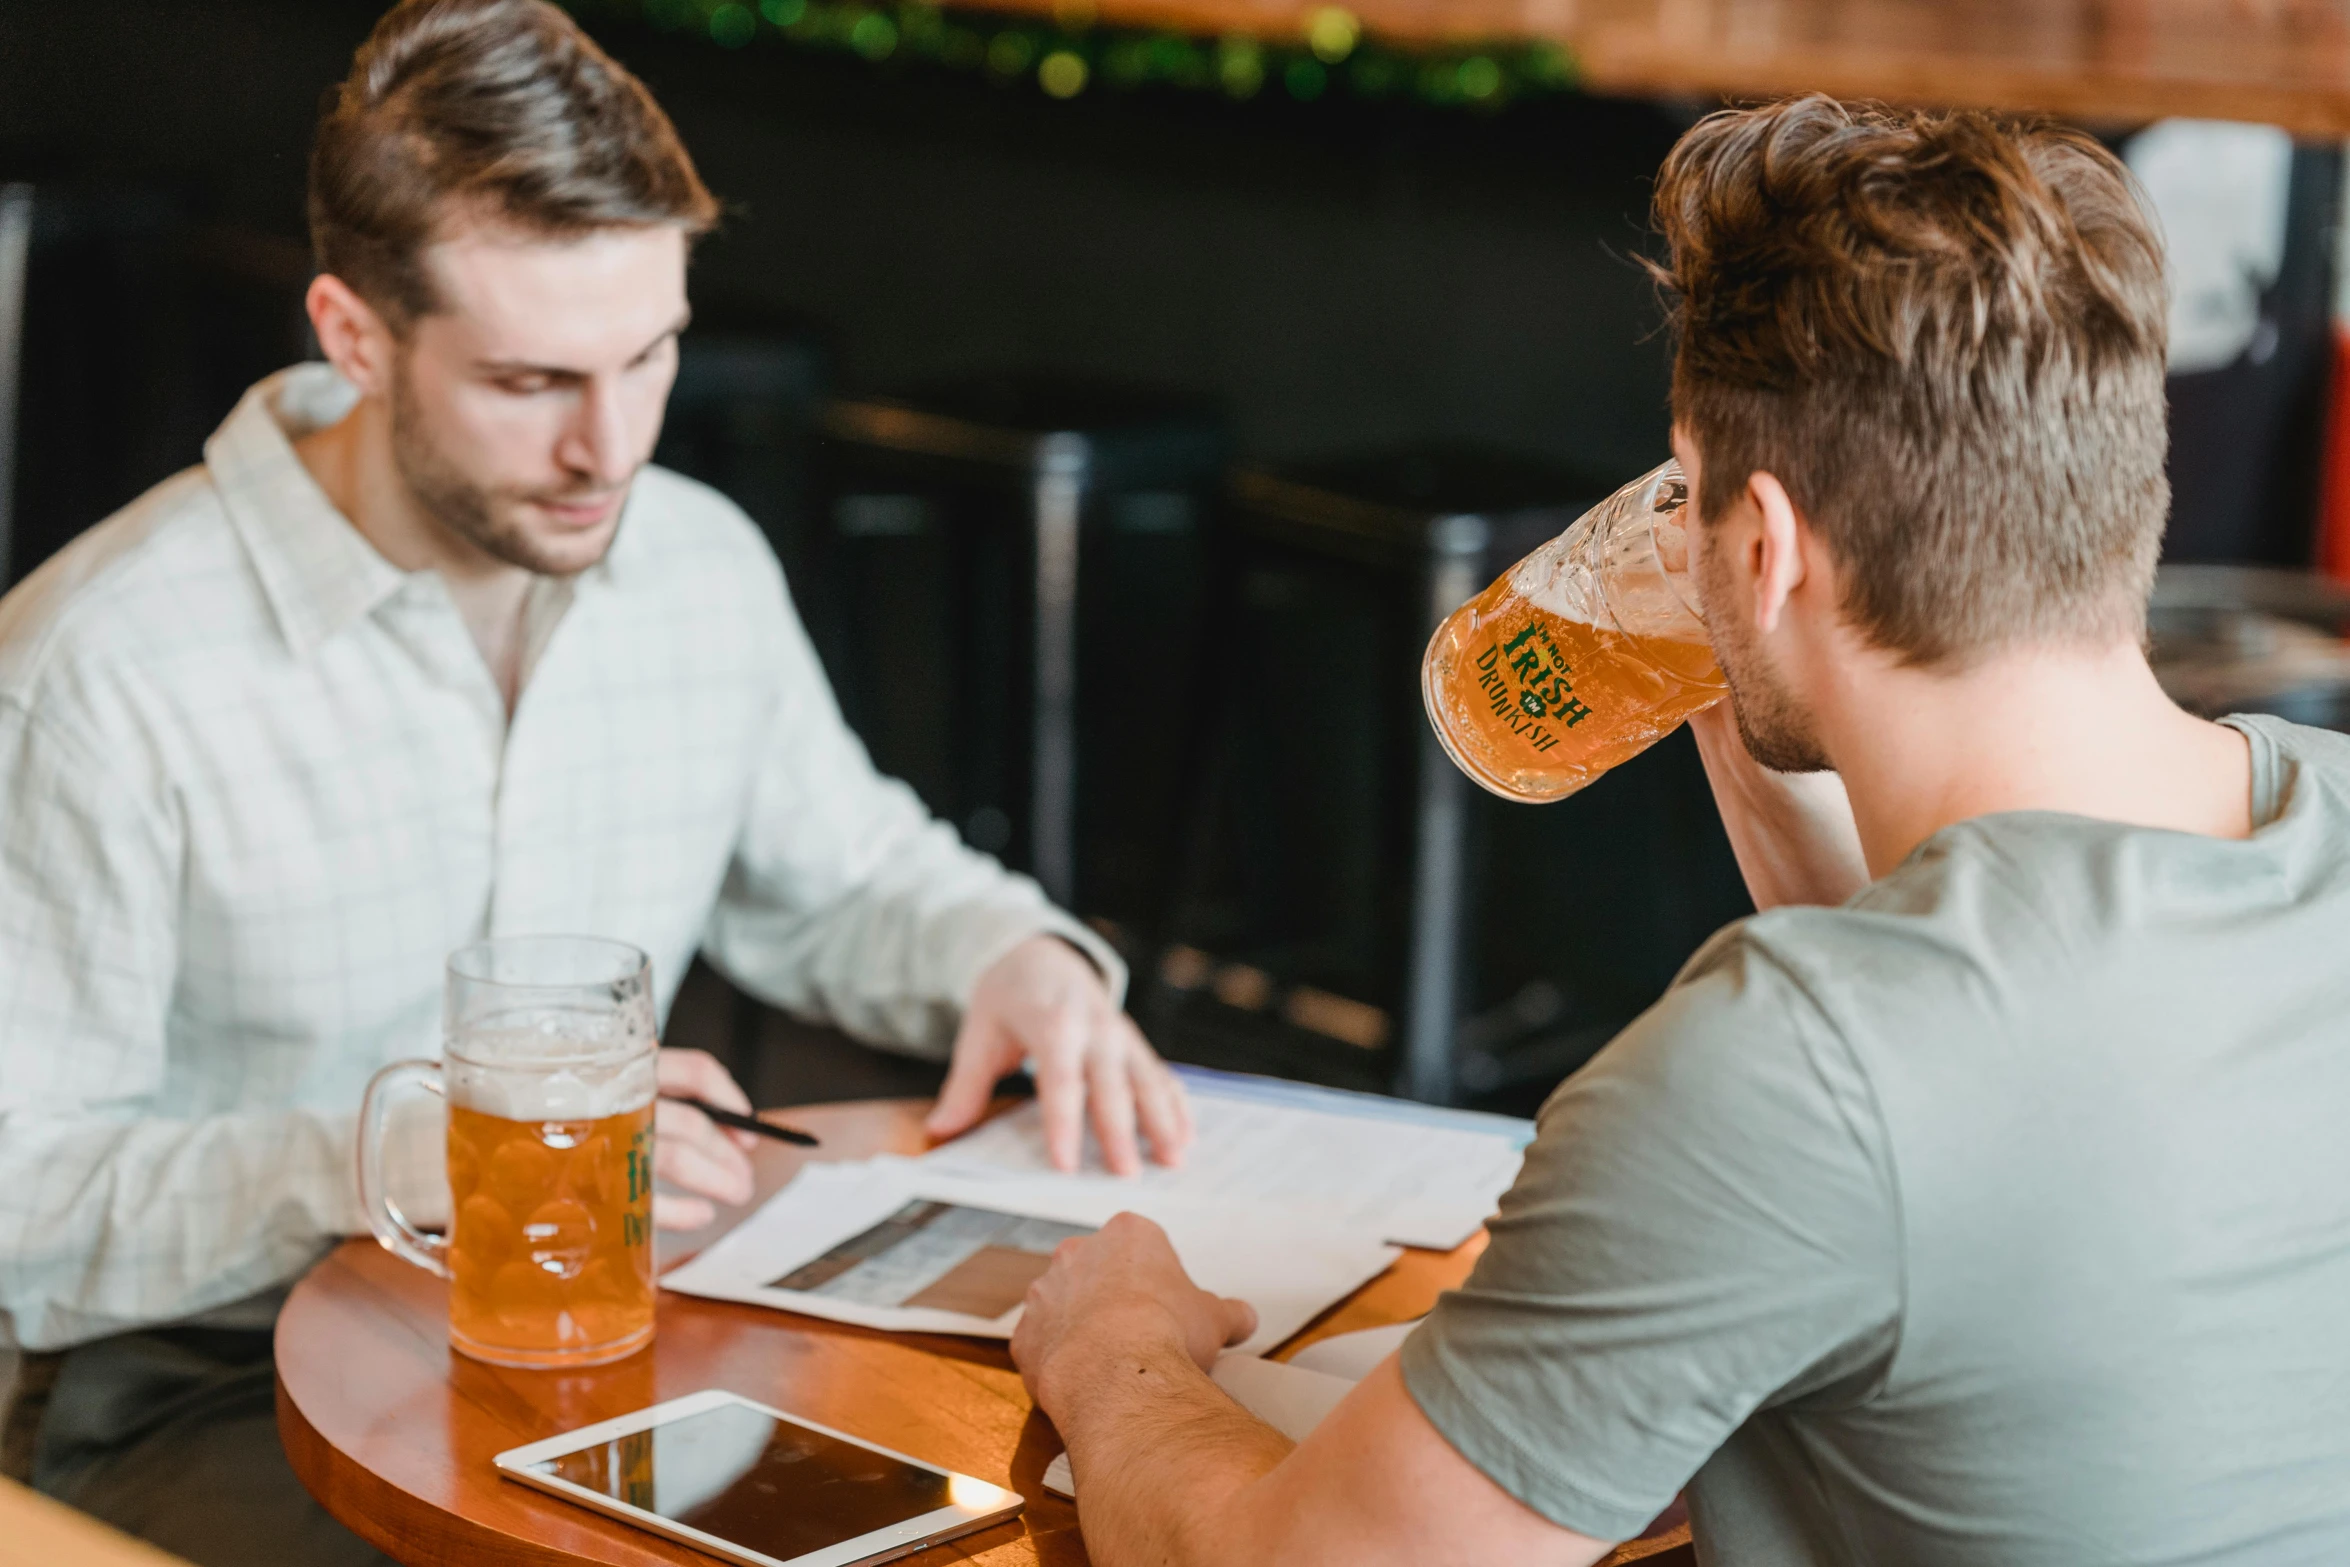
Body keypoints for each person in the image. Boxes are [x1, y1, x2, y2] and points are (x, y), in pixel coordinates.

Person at [1010, 96, 2350, 1567]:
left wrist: (1112, 1345)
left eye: (1687, 492)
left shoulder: (1784, 1072)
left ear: (1764, 546)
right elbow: (2017, 1020)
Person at [0, 1, 1189, 1559]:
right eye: (530, 382)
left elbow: (841, 870)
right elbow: (17, 1200)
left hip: (615, 1330)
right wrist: (386, 1157)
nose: (611, 446)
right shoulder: (100, 669)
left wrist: (1012, 956)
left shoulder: (692, 558)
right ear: (354, 336)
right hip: (194, 1386)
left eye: (649, 356)